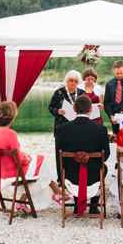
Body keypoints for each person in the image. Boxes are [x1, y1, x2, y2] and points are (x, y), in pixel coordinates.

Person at [56, 94, 111, 213]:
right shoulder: (101, 129)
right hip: (93, 175)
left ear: (74, 109)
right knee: (103, 167)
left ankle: (77, 204)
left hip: (70, 175)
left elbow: (58, 156)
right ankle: (93, 205)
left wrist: (60, 177)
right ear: (91, 109)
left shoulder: (62, 129)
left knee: (70, 164)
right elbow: (106, 155)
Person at [48, 70, 83, 199]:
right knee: (60, 154)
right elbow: (50, 107)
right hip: (61, 128)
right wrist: (58, 111)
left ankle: (73, 178)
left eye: (75, 81)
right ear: (66, 81)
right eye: (70, 80)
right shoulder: (59, 92)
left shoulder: (82, 93)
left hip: (77, 129)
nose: (73, 83)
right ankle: (61, 179)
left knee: (74, 153)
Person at [0, 101, 31, 178]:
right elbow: (19, 159)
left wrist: (24, 156)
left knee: (29, 157)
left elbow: (14, 153)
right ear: (12, 118)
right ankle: (57, 188)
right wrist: (27, 158)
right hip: (14, 174)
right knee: (40, 160)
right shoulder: (11, 134)